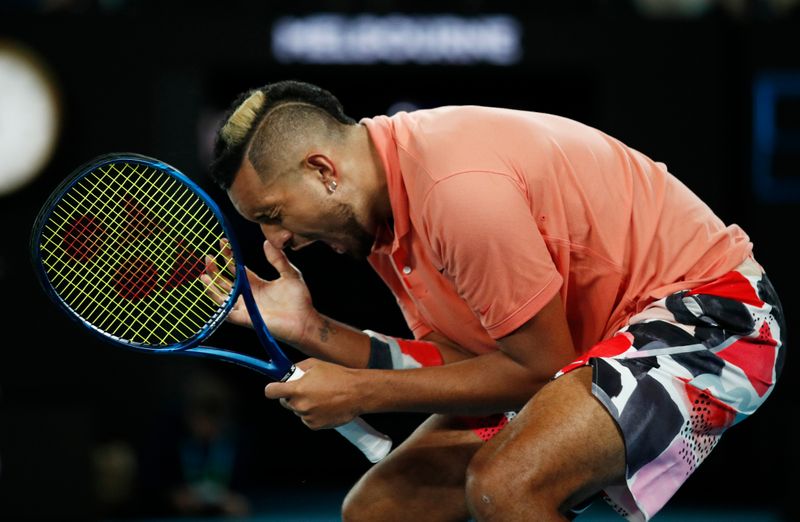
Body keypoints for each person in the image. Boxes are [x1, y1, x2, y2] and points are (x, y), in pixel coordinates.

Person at [201, 80, 785, 521]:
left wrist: (357, 391)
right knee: (383, 509)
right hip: (590, 348)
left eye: (273, 216)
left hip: (715, 313)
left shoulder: (455, 192)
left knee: (507, 483)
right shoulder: (381, 213)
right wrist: (311, 329)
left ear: (323, 171)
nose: (277, 241)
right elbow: (468, 368)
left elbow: (533, 372)